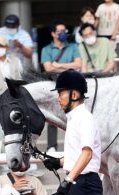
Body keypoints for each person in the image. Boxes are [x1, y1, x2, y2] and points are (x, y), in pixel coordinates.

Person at [41, 20, 82, 152]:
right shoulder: (46, 49)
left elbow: (79, 64)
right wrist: (68, 67)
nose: (63, 34)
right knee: (53, 116)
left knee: (75, 115)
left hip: (73, 85)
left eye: (64, 31)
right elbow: (48, 69)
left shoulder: (73, 47)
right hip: (55, 86)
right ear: (53, 33)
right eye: (60, 31)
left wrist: (58, 66)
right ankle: (51, 146)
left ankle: (76, 145)